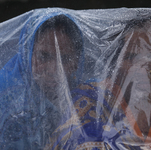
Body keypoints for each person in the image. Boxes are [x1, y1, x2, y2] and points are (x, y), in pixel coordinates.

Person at [0, 11, 84, 150]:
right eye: (43, 56)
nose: (54, 69)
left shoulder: (87, 98)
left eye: (64, 59)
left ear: (77, 61)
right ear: (27, 52)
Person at [44, 18, 151, 149]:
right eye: (131, 57)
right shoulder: (91, 105)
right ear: (116, 61)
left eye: (150, 57)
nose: (142, 68)